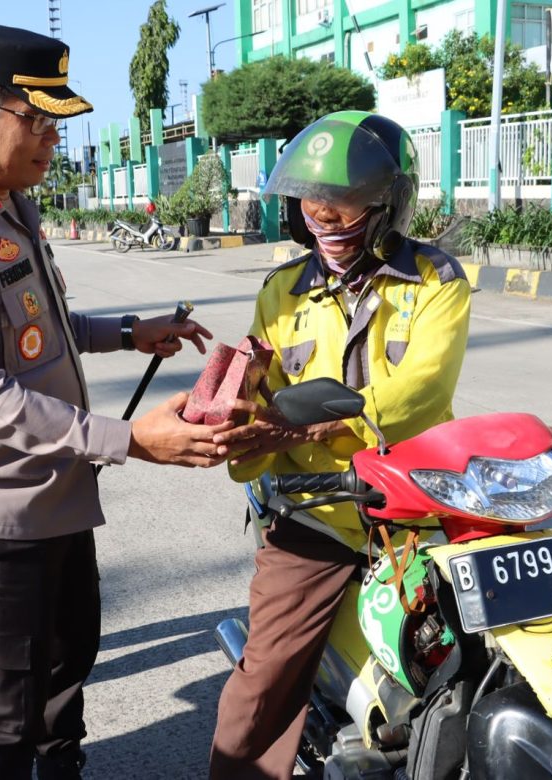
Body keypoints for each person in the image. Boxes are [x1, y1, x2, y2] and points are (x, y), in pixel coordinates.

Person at [0, 22, 232, 780]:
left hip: (58, 499)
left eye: (53, 124)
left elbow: (40, 335)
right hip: (0, 521)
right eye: (34, 121)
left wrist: (131, 331)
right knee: (3, 720)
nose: (50, 140)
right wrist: (132, 439)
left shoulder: (5, 208)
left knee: (64, 683)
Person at [207, 111, 472, 778]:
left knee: (484, 646)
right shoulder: (281, 293)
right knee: (264, 682)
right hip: (314, 514)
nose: (325, 216)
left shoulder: (437, 281)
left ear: (387, 203)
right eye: (312, 202)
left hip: (414, 508)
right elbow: (256, 420)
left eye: (345, 201)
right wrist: (232, 422)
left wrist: (316, 421)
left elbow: (420, 392)